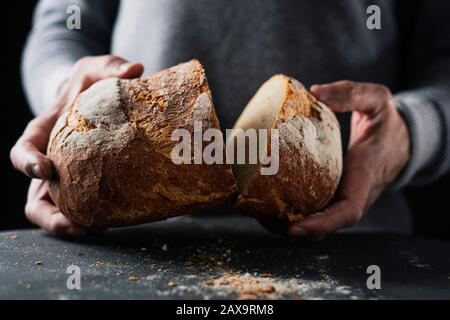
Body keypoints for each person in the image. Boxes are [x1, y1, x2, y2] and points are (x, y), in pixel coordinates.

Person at [11, 0, 450, 239]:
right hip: (135, 247)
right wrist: (66, 97)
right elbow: (64, 27)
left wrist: (410, 132)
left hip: (354, 248)